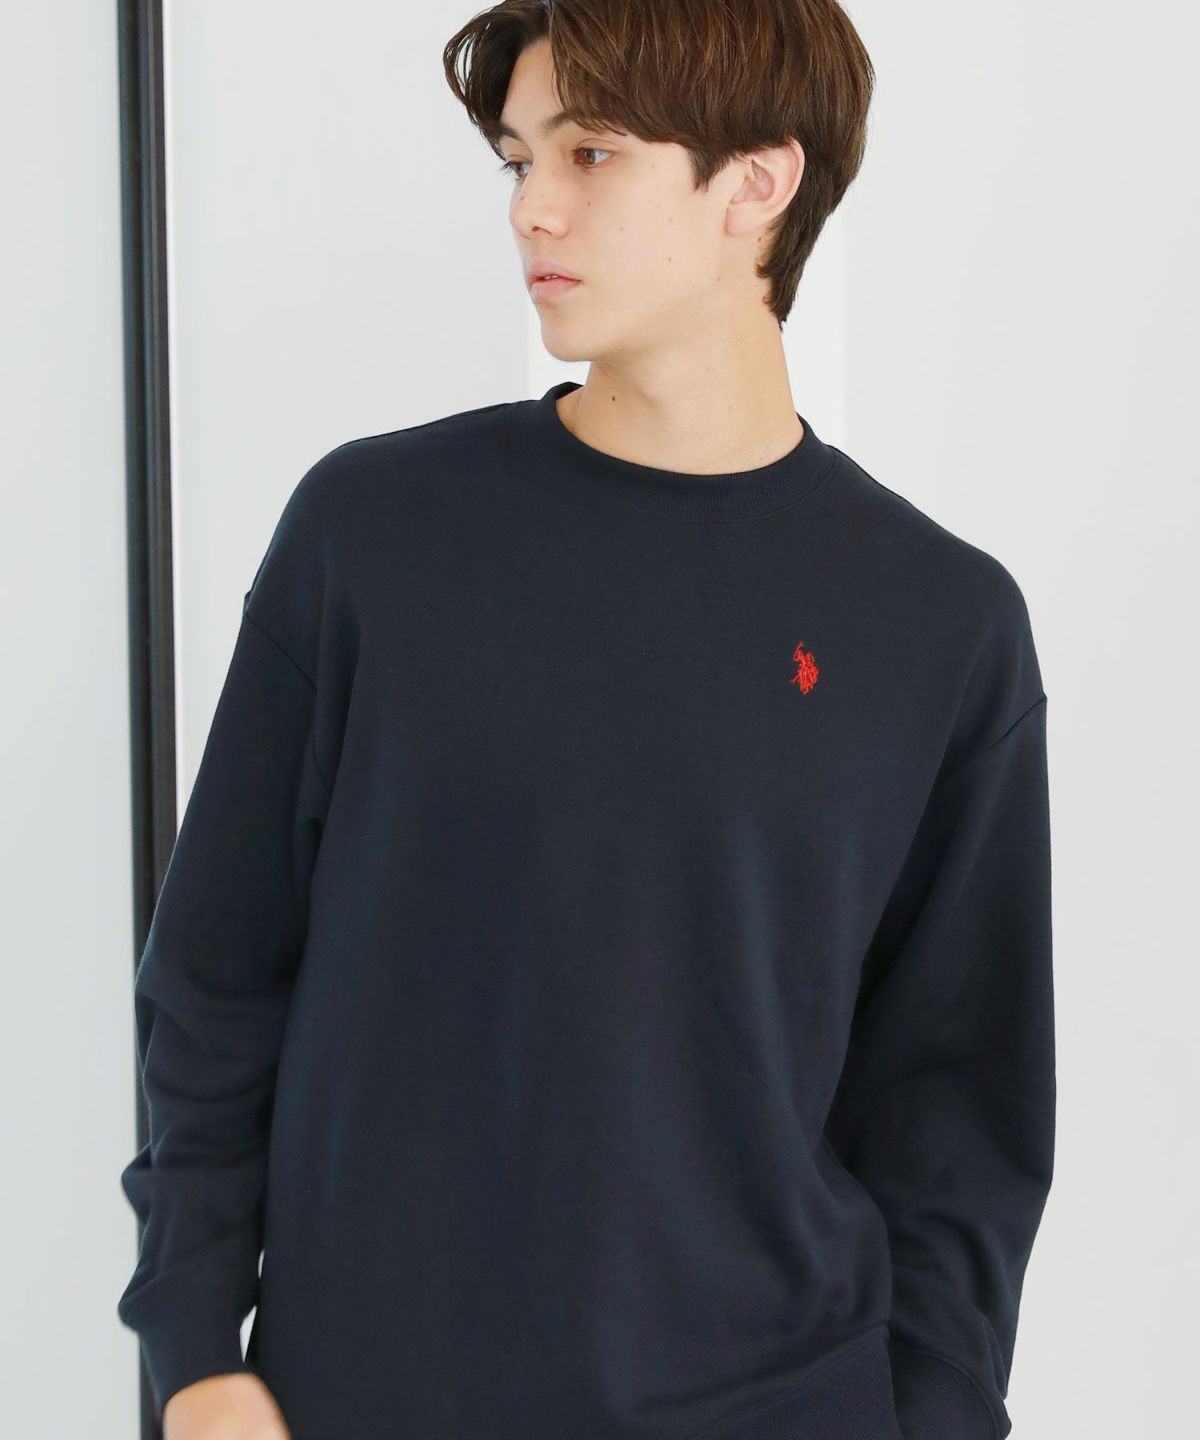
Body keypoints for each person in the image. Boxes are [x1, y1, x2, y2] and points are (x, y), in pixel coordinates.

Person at [117, 3, 1055, 1438]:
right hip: (369, 1397)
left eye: (592, 153)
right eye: (519, 158)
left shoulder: (940, 623)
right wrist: (193, 1351)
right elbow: (217, 975)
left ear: (759, 182)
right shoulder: (375, 537)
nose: (531, 207)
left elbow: (960, 1119)